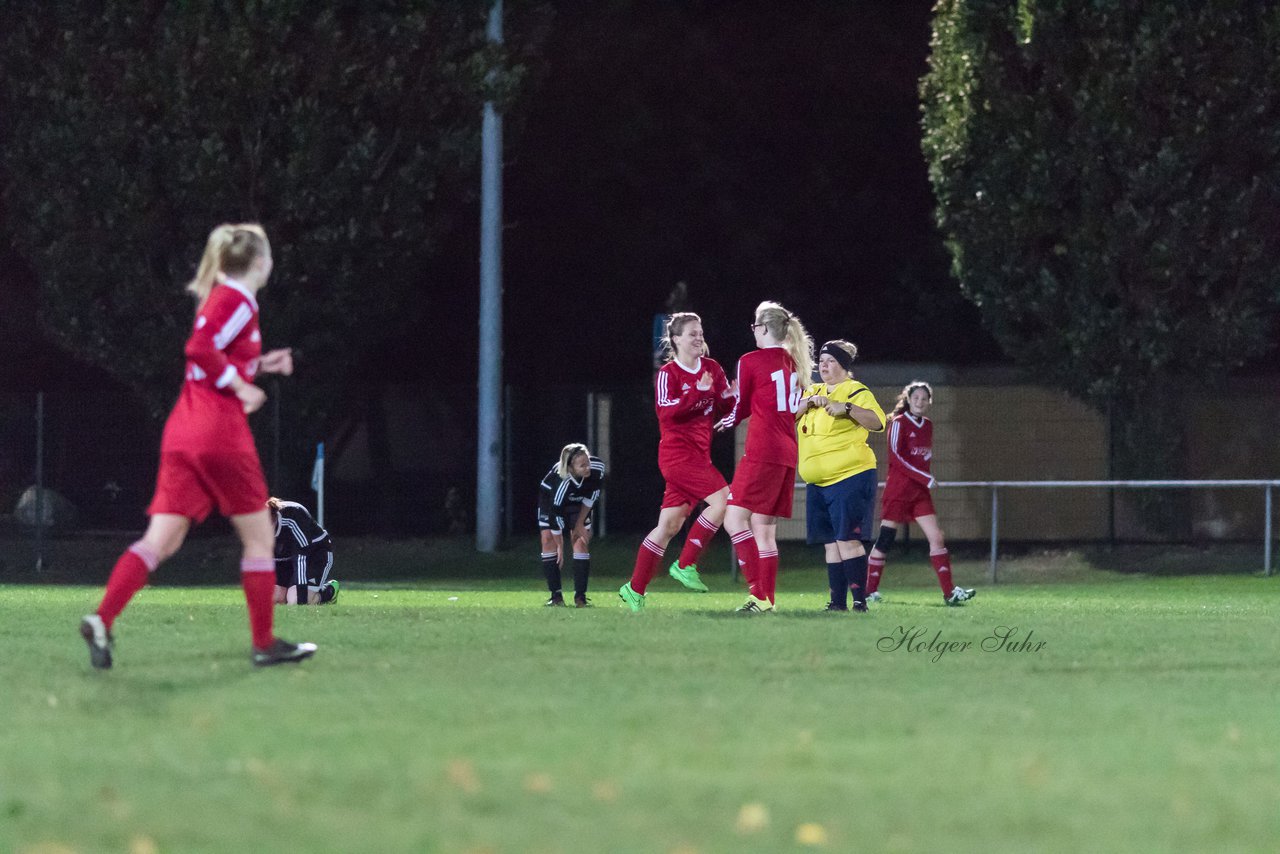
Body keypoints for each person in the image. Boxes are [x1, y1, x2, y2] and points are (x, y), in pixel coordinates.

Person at [78, 223, 317, 669]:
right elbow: (200, 348)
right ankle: (264, 643)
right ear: (261, 262)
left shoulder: (221, 298)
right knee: (261, 539)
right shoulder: (240, 300)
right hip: (219, 433)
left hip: (183, 431)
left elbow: (215, 359)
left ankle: (102, 619)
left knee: (159, 542)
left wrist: (261, 365)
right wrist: (243, 389)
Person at [619, 312, 736, 612]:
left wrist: (730, 396)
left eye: (700, 332)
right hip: (677, 457)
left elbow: (720, 406)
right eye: (692, 333)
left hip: (699, 456)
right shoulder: (668, 375)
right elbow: (666, 413)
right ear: (676, 339)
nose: (699, 338)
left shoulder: (711, 368)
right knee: (725, 501)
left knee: (668, 526)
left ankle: (634, 589)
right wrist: (695, 394)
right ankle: (686, 565)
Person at [715, 300, 814, 613]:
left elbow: (742, 405)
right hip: (787, 452)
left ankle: (757, 594)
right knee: (764, 530)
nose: (753, 330)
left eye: (755, 325)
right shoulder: (794, 361)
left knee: (733, 518)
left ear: (764, 328)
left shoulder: (750, 360)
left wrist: (725, 418)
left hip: (763, 450)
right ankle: (767, 601)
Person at [866, 381, 975, 606]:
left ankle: (949, 593)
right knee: (885, 540)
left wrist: (924, 479)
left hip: (919, 494)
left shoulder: (928, 425)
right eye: (916, 398)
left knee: (936, 538)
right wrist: (925, 477)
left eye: (924, 399)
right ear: (908, 399)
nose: (920, 402)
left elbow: (921, 458)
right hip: (899, 491)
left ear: (929, 402)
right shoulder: (898, 423)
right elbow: (896, 458)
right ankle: (869, 591)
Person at [796, 340, 886, 612]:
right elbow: (787, 416)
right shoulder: (812, 391)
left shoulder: (856, 390)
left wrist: (846, 407)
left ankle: (860, 602)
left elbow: (878, 421)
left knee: (848, 540)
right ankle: (837, 603)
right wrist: (809, 402)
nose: (823, 365)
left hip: (850, 476)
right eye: (821, 361)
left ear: (844, 366)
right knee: (830, 544)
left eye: (831, 361)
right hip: (818, 482)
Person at [537, 443, 605, 607]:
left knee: (580, 541)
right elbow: (555, 516)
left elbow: (591, 497)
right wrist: (560, 546)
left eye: (587, 462)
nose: (588, 467)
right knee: (548, 540)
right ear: (570, 468)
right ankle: (556, 596)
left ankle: (580, 597)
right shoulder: (562, 482)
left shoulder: (597, 469)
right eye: (582, 465)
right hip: (551, 502)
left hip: (579, 502)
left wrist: (580, 524)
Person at [269, 497, 338, 605]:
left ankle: (329, 592)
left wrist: (301, 601)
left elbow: (301, 559)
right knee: (274, 598)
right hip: (286, 559)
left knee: (295, 601)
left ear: (272, 519)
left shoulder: (293, 515)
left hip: (314, 555)